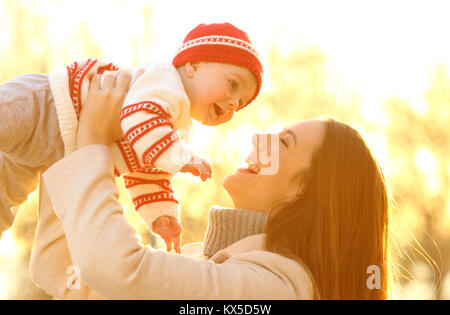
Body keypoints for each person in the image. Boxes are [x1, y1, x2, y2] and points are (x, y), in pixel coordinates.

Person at [29, 68, 392, 300]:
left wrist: (93, 141)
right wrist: (73, 137)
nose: (257, 143)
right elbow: (64, 276)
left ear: (303, 190)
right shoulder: (202, 260)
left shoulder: (279, 287)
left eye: (282, 143)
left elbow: (119, 270)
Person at [0, 22, 263, 249]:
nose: (232, 104)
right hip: (46, 108)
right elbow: (139, 119)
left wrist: (162, 214)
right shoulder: (165, 81)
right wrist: (182, 158)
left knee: (4, 201)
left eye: (239, 104)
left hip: (48, 153)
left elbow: (148, 173)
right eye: (232, 84)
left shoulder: (173, 130)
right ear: (192, 65)